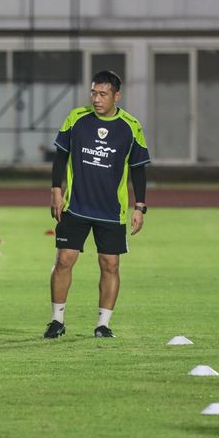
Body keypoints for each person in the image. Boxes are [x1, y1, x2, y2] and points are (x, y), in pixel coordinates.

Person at [44, 70, 151, 339]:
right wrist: (56, 191)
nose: (96, 98)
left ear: (117, 96)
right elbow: (60, 156)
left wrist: (139, 207)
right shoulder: (76, 119)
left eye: (103, 94)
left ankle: (103, 324)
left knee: (110, 264)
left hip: (111, 210)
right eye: (93, 92)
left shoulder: (131, 126)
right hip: (76, 205)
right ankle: (57, 321)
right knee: (64, 260)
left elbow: (138, 169)